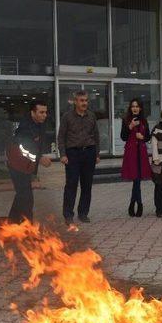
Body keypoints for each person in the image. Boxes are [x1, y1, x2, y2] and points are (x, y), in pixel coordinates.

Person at [58, 90, 100, 225]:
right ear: (75, 101)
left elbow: (96, 136)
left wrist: (97, 154)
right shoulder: (67, 117)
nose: (84, 103)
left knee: (87, 186)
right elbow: (61, 137)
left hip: (89, 152)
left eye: (86, 100)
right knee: (71, 185)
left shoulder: (91, 116)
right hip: (73, 154)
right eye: (82, 101)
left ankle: (83, 213)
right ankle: (68, 215)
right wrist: (63, 154)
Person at [7, 100, 52, 223]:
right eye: (41, 112)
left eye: (45, 112)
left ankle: (11, 222)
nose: (44, 115)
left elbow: (37, 144)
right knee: (27, 198)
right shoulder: (24, 128)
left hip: (27, 166)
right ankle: (28, 227)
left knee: (21, 195)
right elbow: (23, 150)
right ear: (33, 113)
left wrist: (38, 157)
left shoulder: (40, 123)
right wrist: (39, 159)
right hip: (16, 165)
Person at [120, 98, 151, 217]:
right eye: (133, 106)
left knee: (137, 179)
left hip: (141, 152)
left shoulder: (144, 120)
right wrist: (130, 126)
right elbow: (123, 137)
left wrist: (142, 137)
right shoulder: (126, 120)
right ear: (130, 108)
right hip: (131, 152)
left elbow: (147, 137)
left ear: (140, 108)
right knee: (135, 178)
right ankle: (139, 203)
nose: (135, 108)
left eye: (137, 106)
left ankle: (133, 203)